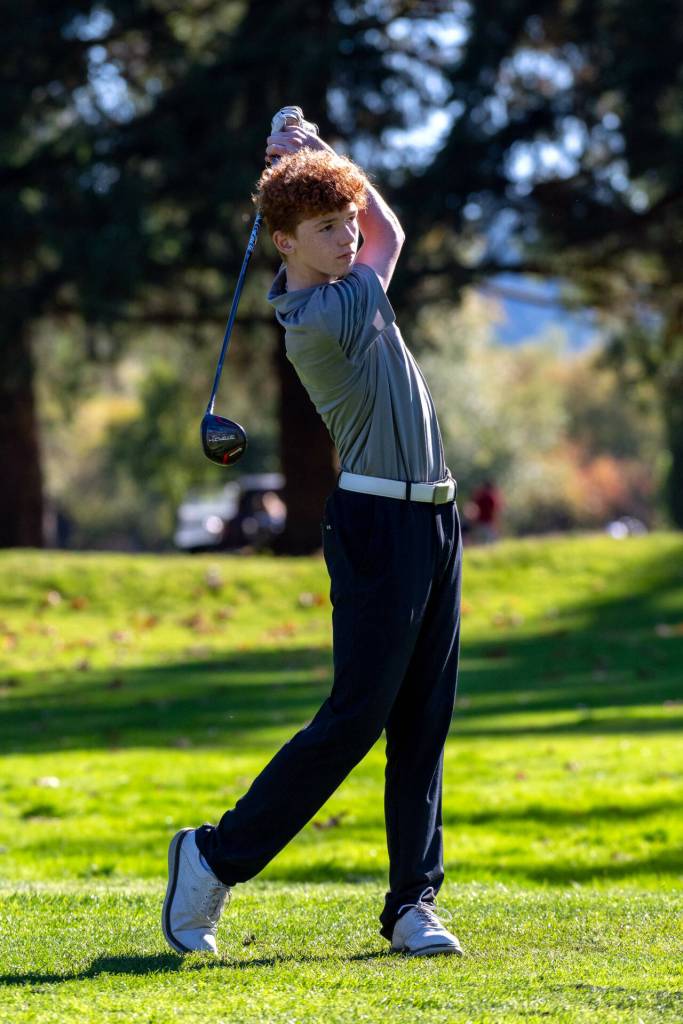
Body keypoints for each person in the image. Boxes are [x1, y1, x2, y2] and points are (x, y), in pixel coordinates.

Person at [162, 122, 463, 958]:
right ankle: (213, 856)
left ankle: (413, 904)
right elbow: (392, 237)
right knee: (354, 718)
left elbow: (377, 229)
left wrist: (317, 159)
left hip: (432, 517)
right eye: (327, 226)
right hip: (376, 524)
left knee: (423, 721)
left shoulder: (338, 276)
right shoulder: (324, 312)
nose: (348, 234)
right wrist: (321, 156)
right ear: (284, 242)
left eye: (347, 220)